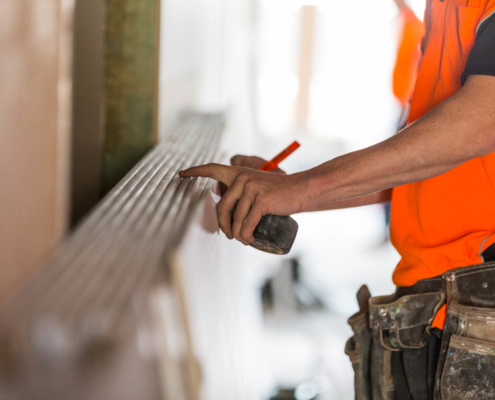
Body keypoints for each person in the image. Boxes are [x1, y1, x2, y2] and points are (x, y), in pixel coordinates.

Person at [180, 0, 495, 398]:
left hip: (478, 304)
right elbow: (437, 165)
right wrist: (289, 190)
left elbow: (483, 119)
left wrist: (303, 188)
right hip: (442, 304)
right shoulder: (447, 8)